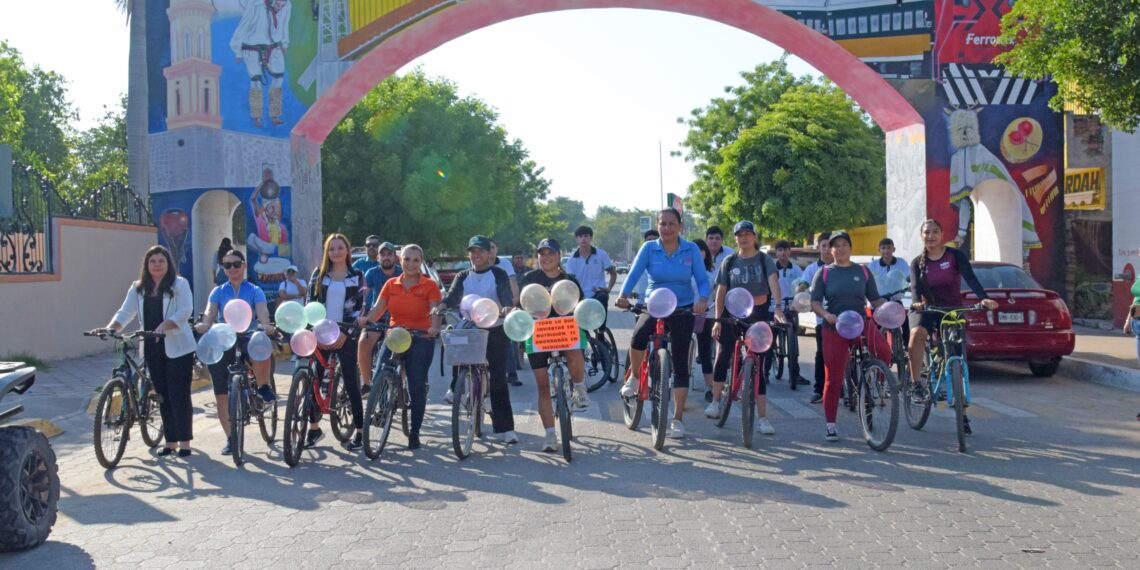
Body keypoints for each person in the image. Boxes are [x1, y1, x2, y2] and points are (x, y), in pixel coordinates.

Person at [616, 208, 710, 439]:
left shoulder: (691, 250)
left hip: (683, 308)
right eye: (662, 224)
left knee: (680, 363)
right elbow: (634, 273)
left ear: (680, 226)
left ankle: (677, 419)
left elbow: (702, 280)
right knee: (638, 336)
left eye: (671, 224)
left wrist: (703, 300)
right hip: (654, 305)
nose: (667, 228)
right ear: (658, 226)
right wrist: (623, 294)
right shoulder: (649, 248)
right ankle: (636, 378)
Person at [907, 220, 998, 436]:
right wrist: (916, 302)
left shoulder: (955, 256)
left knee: (957, 358)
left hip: (952, 310)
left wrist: (984, 299)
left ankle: (963, 415)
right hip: (927, 309)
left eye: (935, 232)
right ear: (922, 236)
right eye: (927, 232)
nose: (931, 236)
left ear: (942, 234)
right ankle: (916, 383)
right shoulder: (916, 262)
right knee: (916, 334)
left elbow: (971, 278)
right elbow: (915, 288)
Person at [108, 246, 196, 457]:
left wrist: (166, 325)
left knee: (178, 394)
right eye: (153, 261)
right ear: (146, 265)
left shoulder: (179, 284)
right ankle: (170, 441)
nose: (157, 265)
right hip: (151, 346)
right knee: (162, 395)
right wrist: (111, 328)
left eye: (161, 261)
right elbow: (125, 312)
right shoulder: (138, 288)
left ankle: (184, 442)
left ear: (168, 264)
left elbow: (186, 311)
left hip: (178, 347)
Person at [357, 244, 441, 450]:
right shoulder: (391, 284)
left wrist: (434, 327)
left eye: (415, 260)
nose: (411, 264)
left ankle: (414, 433)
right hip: (395, 335)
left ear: (420, 262)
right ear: (399, 260)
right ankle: (383, 408)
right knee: (379, 377)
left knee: (416, 385)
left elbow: (435, 311)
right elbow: (378, 309)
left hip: (420, 336)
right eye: (407, 259)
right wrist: (366, 319)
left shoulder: (429, 285)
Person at [195, 249, 278, 456]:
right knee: (221, 395)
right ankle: (231, 439)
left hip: (248, 335)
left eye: (236, 264)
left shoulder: (255, 290)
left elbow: (262, 313)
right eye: (227, 265)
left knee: (262, 343)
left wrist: (266, 325)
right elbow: (209, 313)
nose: (232, 268)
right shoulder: (218, 292)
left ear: (244, 266)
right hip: (224, 338)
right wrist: (204, 324)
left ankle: (263, 386)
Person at [810, 231, 891, 442]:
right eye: (836, 245)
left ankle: (877, 382)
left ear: (850, 248)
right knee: (833, 378)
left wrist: (890, 311)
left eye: (845, 244)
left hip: (860, 323)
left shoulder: (863, 271)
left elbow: (875, 300)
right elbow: (815, 302)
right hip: (834, 327)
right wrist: (826, 314)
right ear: (830, 249)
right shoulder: (824, 273)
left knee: (885, 352)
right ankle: (830, 424)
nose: (841, 248)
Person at [706, 221, 785, 436]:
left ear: (754, 237)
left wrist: (778, 308)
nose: (744, 238)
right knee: (723, 354)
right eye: (740, 235)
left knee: (758, 363)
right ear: (735, 238)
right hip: (731, 314)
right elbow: (721, 291)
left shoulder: (764, 259)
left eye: (748, 234)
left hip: (758, 314)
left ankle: (763, 418)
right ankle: (715, 401)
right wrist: (717, 320)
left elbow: (774, 283)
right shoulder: (729, 261)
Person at [517, 238, 592, 452]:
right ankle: (550, 435)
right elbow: (520, 305)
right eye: (542, 254)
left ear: (559, 256)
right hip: (538, 334)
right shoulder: (530, 278)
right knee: (542, 386)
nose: (546, 257)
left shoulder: (570, 279)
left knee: (574, 345)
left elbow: (581, 307)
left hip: (564, 331)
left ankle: (579, 387)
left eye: (551, 253)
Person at [442, 235, 518, 443]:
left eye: (480, 251)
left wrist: (506, 307)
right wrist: (441, 306)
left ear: (489, 253)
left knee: (498, 379)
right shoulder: (463, 275)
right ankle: (455, 388)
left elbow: (504, 293)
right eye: (472, 251)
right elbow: (452, 296)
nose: (476, 255)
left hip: (495, 328)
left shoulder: (498, 273)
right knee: (456, 349)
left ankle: (506, 428)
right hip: (470, 328)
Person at [305, 233, 367, 450]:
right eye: (331, 249)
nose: (336, 252)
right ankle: (314, 429)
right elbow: (310, 304)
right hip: (320, 331)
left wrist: (346, 333)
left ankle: (360, 432)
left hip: (345, 333)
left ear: (347, 250)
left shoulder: (356, 275)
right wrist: (314, 330)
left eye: (340, 247)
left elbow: (360, 307)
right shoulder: (319, 275)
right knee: (313, 381)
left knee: (351, 382)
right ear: (326, 252)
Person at [230, 0, 291, 128]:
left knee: (278, 78)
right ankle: (257, 117)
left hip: (273, 46)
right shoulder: (255, 4)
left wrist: (285, 43)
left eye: (282, 5)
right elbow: (244, 24)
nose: (279, 7)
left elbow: (285, 23)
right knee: (256, 82)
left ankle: (274, 115)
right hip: (251, 48)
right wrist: (237, 50)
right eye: (277, 4)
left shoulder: (287, 5)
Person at [357, 241, 401, 393]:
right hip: (377, 315)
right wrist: (361, 313)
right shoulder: (372, 273)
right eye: (383, 254)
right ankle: (367, 383)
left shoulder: (401, 273)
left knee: (404, 351)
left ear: (395, 257)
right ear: (378, 257)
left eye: (390, 254)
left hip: (398, 317)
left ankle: (402, 386)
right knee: (363, 342)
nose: (386, 257)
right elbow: (364, 295)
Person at [769, 240, 807, 385]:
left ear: (790, 252)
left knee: (794, 342)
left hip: (791, 307)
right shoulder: (772, 268)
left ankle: (795, 373)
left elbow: (802, 285)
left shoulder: (796, 269)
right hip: (773, 308)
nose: (783, 253)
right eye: (779, 250)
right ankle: (765, 372)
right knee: (770, 339)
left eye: (785, 250)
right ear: (776, 252)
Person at [801, 232, 833, 404]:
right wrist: (800, 290)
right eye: (824, 246)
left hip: (845, 318)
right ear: (819, 248)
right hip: (823, 318)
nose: (827, 250)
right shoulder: (812, 269)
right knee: (822, 354)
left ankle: (850, 388)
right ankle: (819, 390)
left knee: (849, 356)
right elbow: (803, 285)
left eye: (830, 246)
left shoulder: (842, 266)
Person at [565, 225, 617, 322]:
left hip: (597, 292)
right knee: (579, 323)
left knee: (603, 296)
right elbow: (570, 281)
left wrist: (609, 288)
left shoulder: (601, 254)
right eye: (580, 237)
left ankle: (601, 331)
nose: (583, 239)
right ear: (577, 239)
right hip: (580, 295)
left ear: (591, 238)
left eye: (586, 236)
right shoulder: (572, 259)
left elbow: (613, 273)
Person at [867, 237, 913, 341]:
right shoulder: (873, 265)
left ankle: (907, 347)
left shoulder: (901, 262)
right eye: (883, 248)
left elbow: (909, 276)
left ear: (894, 249)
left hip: (895, 299)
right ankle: (877, 349)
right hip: (878, 300)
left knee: (905, 323)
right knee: (876, 329)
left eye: (889, 247)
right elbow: (868, 280)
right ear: (879, 250)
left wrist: (910, 285)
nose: (886, 250)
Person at [490, 240, 523, 386]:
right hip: (484, 308)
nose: (489, 251)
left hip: (503, 306)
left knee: (506, 339)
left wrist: (514, 300)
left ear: (496, 248)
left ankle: (512, 374)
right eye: (486, 248)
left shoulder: (504, 264)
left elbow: (513, 281)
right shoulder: (477, 263)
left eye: (492, 247)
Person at [691, 238, 717, 401]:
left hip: (706, 315)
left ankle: (710, 387)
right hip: (684, 314)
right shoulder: (683, 269)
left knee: (705, 352)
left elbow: (716, 292)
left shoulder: (712, 271)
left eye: (702, 249)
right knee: (681, 348)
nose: (699, 253)